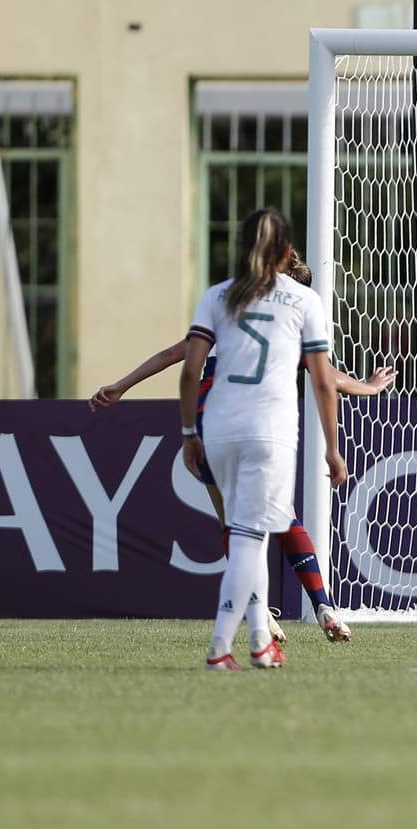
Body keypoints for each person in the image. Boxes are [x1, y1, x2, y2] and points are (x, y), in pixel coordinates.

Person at [91, 254, 394, 644]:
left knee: (232, 524)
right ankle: (324, 606)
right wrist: (368, 386)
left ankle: (258, 609)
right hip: (254, 421)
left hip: (207, 422)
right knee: (283, 517)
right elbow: (327, 379)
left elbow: (175, 355)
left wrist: (121, 385)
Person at [179, 207, 346, 670]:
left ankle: (259, 641)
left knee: (244, 534)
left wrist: (189, 431)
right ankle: (220, 647)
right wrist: (332, 448)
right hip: (269, 431)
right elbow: (322, 380)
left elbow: (191, 369)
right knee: (252, 539)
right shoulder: (304, 300)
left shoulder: (217, 296)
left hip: (217, 426)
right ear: (288, 251)